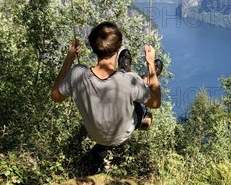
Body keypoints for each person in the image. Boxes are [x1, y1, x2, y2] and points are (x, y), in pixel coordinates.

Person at [51, 22, 161, 166]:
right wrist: (151, 64)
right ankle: (141, 77)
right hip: (123, 133)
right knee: (140, 99)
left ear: (93, 47)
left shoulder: (77, 74)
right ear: (118, 48)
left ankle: (126, 70)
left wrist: (69, 58)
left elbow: (55, 96)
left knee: (130, 87)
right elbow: (156, 102)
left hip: (96, 134)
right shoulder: (130, 81)